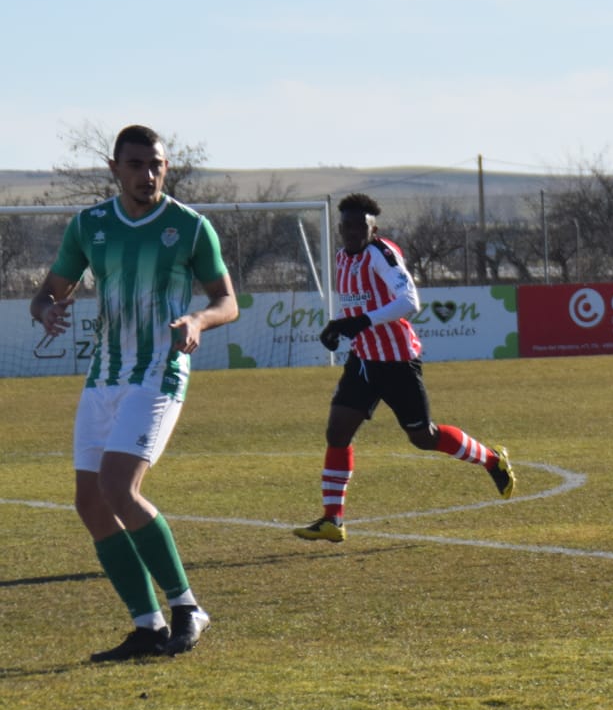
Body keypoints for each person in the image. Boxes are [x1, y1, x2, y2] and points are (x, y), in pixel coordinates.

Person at [27, 124, 239, 661]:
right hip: (104, 376)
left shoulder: (190, 228)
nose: (149, 175)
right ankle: (146, 626)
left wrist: (197, 319)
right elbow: (50, 291)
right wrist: (47, 309)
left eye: (157, 165)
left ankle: (188, 607)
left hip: (158, 373)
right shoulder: (89, 225)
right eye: (138, 165)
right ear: (115, 167)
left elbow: (227, 301)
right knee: (89, 501)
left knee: (119, 487)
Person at [293, 194, 514, 542]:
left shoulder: (382, 255)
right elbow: (360, 307)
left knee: (423, 437)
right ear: (339, 228)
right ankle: (332, 520)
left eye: (359, 226)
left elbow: (410, 301)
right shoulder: (341, 258)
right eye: (346, 226)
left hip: (397, 362)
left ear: (372, 228)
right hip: (364, 361)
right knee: (337, 432)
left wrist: (362, 321)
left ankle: (491, 460)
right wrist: (339, 326)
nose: (351, 232)